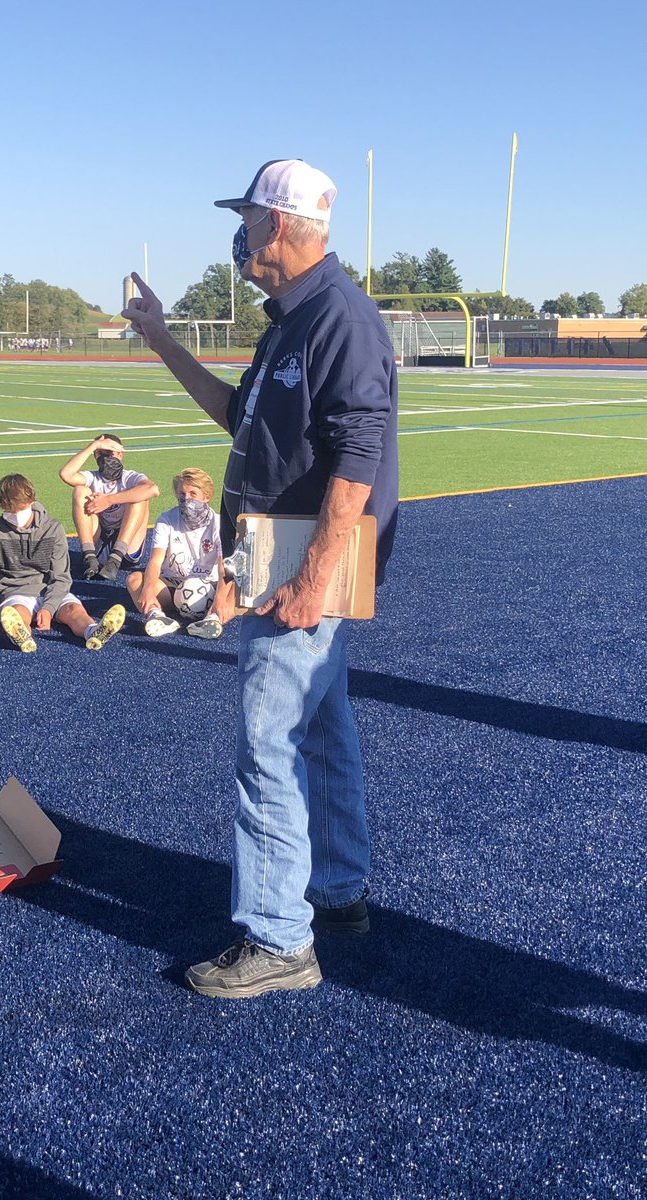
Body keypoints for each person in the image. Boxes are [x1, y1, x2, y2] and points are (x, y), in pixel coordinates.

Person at [122, 158, 399, 999]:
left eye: (245, 220)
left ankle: (280, 939)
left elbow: (361, 449)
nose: (238, 237)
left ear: (276, 225)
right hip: (289, 559)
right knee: (321, 730)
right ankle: (339, 889)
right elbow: (234, 414)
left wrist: (316, 573)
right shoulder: (294, 319)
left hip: (298, 566)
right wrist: (161, 337)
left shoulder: (336, 316)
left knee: (267, 741)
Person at [0, 473, 125, 654]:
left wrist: (48, 608)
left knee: (74, 610)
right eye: (10, 511)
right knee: (18, 612)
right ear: (1, 505)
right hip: (15, 590)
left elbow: (61, 576)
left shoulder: (53, 528)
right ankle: (23, 634)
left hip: (51, 588)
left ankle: (93, 631)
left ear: (32, 501)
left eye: (21, 509)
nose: (16, 515)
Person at [127, 467, 228, 640]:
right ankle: (156, 616)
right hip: (173, 586)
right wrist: (148, 589)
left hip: (209, 588)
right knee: (134, 580)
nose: (186, 498)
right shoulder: (166, 519)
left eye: (192, 493)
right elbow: (156, 560)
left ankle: (214, 618)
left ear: (207, 496)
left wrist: (219, 597)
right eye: (182, 493)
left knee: (238, 589)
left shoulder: (219, 523)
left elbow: (223, 566)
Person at [58, 434, 158, 581]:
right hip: (101, 542)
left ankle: (115, 559)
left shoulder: (129, 477)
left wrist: (109, 500)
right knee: (80, 490)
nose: (106, 458)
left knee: (140, 496)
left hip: (127, 548)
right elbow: (66, 474)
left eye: (110, 453)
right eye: (101, 453)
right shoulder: (92, 478)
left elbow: (153, 489)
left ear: (120, 454)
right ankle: (89, 556)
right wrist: (94, 445)